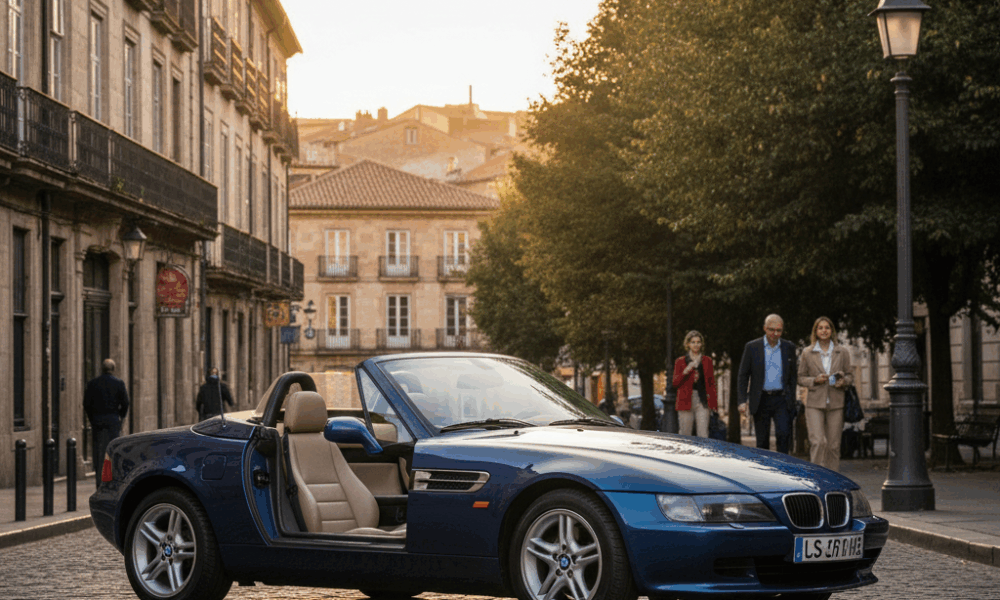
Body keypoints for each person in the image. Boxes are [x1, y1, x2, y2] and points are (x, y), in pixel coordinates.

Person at [798, 317, 853, 471]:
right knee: (818, 442)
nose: (824, 330)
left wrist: (843, 381)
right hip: (814, 403)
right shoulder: (807, 352)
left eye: (827, 328)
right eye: (820, 328)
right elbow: (800, 378)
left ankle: (833, 478)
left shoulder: (842, 352)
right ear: (816, 331)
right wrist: (814, 380)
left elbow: (850, 375)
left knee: (834, 445)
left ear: (831, 331)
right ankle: (817, 478)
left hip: (836, 403)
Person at [737, 314, 798, 453]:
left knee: (784, 435)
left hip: (782, 399)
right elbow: (743, 375)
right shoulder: (752, 347)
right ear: (764, 328)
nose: (775, 334)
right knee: (762, 441)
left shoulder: (789, 347)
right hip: (761, 399)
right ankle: (764, 472)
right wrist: (742, 400)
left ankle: (783, 471)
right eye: (771, 330)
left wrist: (792, 400)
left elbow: (793, 376)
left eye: (779, 330)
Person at [83, 358, 130, 487]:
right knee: (113, 451)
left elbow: (86, 404)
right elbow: (125, 403)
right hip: (113, 421)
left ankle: (99, 481)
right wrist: (120, 417)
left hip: (97, 421)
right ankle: (112, 481)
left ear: (102, 369)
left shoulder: (93, 383)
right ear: (113, 369)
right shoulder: (119, 383)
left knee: (99, 452)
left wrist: (92, 418)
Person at [672, 330, 718, 437]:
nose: (696, 345)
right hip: (685, 400)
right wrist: (685, 371)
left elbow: (711, 384)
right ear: (688, 344)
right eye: (693, 342)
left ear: (701, 344)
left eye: (698, 342)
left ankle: (702, 454)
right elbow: (675, 383)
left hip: (702, 400)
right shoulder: (680, 361)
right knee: (685, 434)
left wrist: (714, 404)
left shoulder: (707, 361)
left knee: (703, 434)